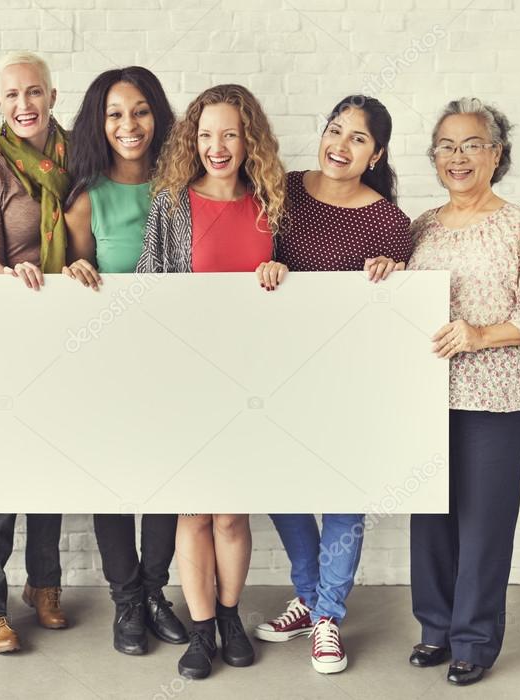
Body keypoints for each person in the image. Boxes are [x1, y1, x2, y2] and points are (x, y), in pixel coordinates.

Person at [407, 97, 520, 686]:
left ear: (496, 153)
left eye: (471, 144)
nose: (458, 156)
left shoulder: (519, 224)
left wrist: (478, 335)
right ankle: (434, 629)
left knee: (484, 522)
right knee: (431, 517)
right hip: (424, 396)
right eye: (446, 146)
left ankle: (473, 639)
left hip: (495, 398)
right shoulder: (420, 227)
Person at [252, 95, 412, 675]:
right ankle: (311, 594)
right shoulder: (283, 190)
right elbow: (248, 257)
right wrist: (266, 264)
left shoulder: (390, 222)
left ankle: (328, 618)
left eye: (358, 138)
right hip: (278, 373)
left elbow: (397, 313)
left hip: (350, 381)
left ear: (377, 154)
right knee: (282, 485)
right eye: (334, 130)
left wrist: (394, 275)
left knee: (344, 496)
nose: (340, 146)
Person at [135, 84, 287, 680]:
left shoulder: (272, 201)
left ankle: (229, 616)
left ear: (249, 138)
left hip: (252, 381)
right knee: (194, 514)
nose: (216, 147)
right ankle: (199, 633)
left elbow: (298, 290)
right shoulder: (172, 201)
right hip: (189, 382)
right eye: (205, 135)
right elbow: (150, 287)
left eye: (229, 134)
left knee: (231, 514)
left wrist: (282, 269)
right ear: (190, 141)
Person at [63, 66, 188, 656]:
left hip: (172, 361)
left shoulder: (183, 191)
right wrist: (72, 272)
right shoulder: (87, 199)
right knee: (112, 482)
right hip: (109, 365)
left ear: (158, 116)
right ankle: (126, 601)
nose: (128, 124)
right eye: (115, 113)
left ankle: (157, 591)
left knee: (165, 482)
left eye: (139, 111)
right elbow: (78, 284)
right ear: (99, 121)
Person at [0, 51, 70, 654]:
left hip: (68, 330)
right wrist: (6, 276)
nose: (24, 105)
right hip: (10, 331)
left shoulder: (79, 155)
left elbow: (89, 228)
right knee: (5, 469)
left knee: (53, 462)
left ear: (53, 96)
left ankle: (45, 583)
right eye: (12, 96)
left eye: (34, 93)